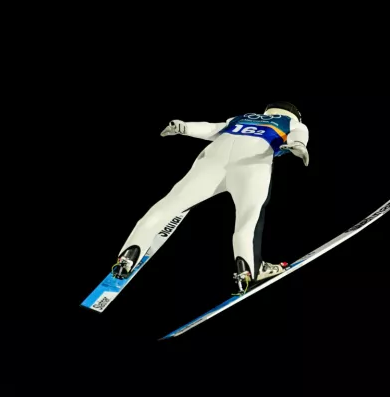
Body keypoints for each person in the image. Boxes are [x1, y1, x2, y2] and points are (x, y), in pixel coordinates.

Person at [111, 101, 310, 295]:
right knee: (248, 219)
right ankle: (249, 269)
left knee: (170, 204)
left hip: (212, 160)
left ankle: (129, 255)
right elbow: (299, 135)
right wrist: (298, 145)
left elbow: (212, 128)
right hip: (252, 164)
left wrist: (184, 127)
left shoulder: (243, 117)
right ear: (294, 115)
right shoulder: (292, 123)